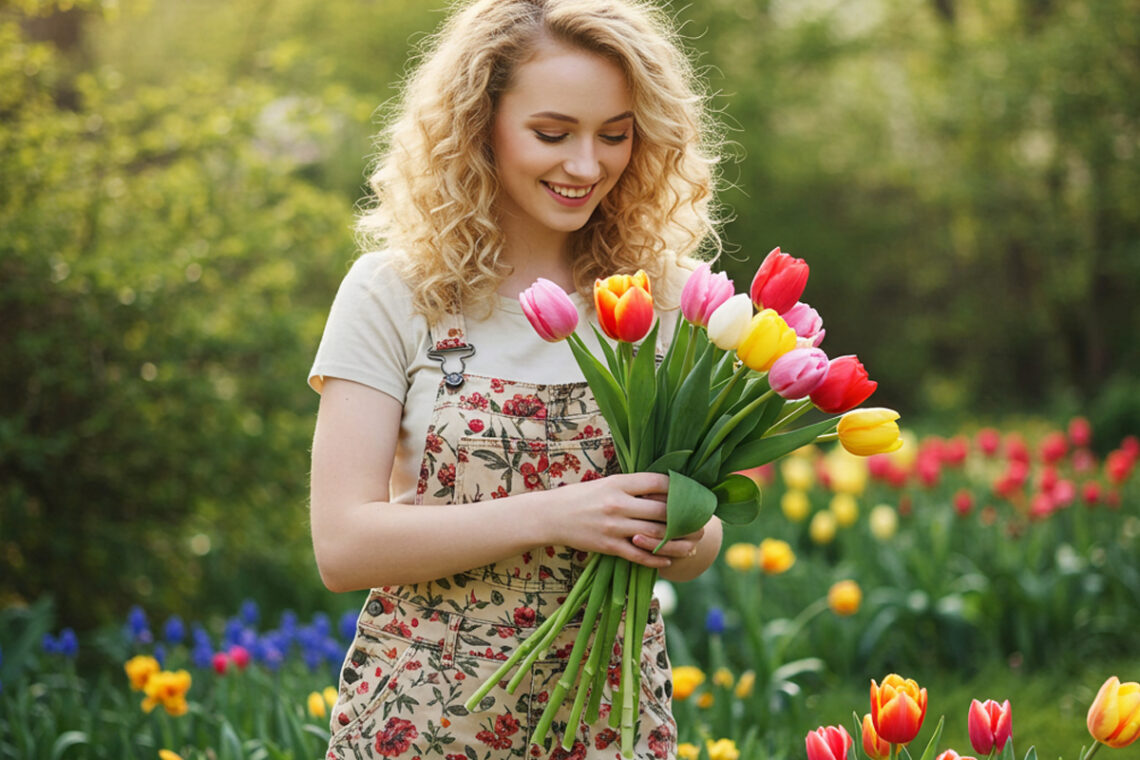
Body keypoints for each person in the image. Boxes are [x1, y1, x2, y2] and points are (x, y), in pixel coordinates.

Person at [308, 1, 725, 757]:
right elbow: (343, 545)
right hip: (425, 719)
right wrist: (556, 515)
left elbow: (702, 543)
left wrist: (683, 528)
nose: (587, 165)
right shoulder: (395, 294)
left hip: (613, 720)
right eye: (552, 133)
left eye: (616, 135)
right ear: (479, 124)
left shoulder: (666, 298)